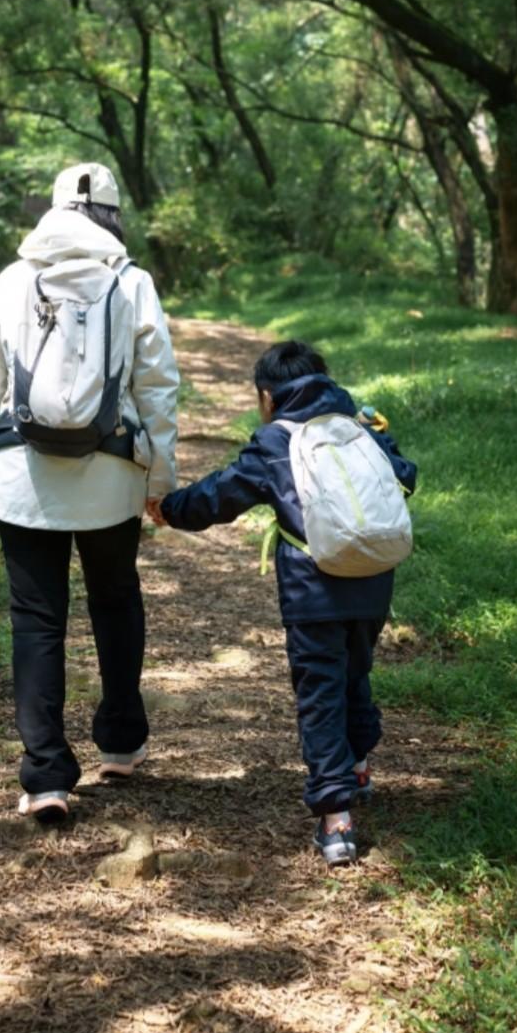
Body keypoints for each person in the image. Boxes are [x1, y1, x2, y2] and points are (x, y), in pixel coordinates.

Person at [0, 162, 179, 823]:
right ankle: (121, 743)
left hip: (24, 478)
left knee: (37, 618)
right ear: (111, 217)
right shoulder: (132, 282)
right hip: (111, 477)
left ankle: (46, 776)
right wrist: (160, 480)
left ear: (52, 212)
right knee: (115, 600)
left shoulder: (13, 278)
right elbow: (157, 388)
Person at [155, 339, 416, 866]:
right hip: (374, 579)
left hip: (312, 589)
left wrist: (170, 509)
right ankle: (358, 763)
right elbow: (406, 477)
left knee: (320, 691)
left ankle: (336, 818)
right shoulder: (358, 427)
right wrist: (379, 437)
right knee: (354, 672)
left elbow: (222, 494)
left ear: (267, 397)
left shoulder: (277, 439)